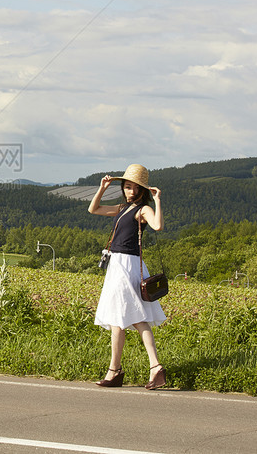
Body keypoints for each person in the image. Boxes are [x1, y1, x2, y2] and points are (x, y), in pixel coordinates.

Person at [88, 164, 167, 390]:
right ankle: (121, 370)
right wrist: (102, 188)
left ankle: (143, 368)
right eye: (127, 186)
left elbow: (158, 225)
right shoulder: (123, 207)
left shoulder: (142, 209)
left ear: (142, 191)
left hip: (128, 266)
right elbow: (94, 209)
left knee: (133, 316)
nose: (130, 191)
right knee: (120, 318)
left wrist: (158, 200)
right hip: (117, 265)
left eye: (134, 188)